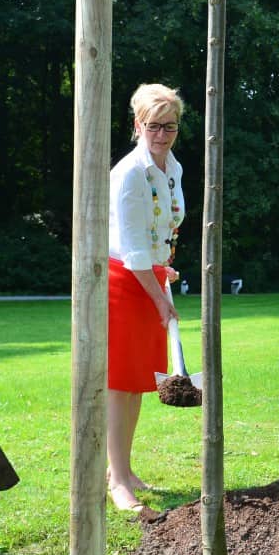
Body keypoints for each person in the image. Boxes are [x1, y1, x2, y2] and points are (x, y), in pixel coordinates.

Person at [107, 83, 186, 513]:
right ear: (137, 125)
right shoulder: (130, 173)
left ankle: (125, 466)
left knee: (138, 382)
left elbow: (162, 230)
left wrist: (164, 266)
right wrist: (158, 297)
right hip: (124, 281)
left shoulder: (172, 168)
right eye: (153, 126)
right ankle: (117, 479)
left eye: (169, 126)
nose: (161, 135)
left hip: (150, 276)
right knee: (119, 384)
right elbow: (132, 246)